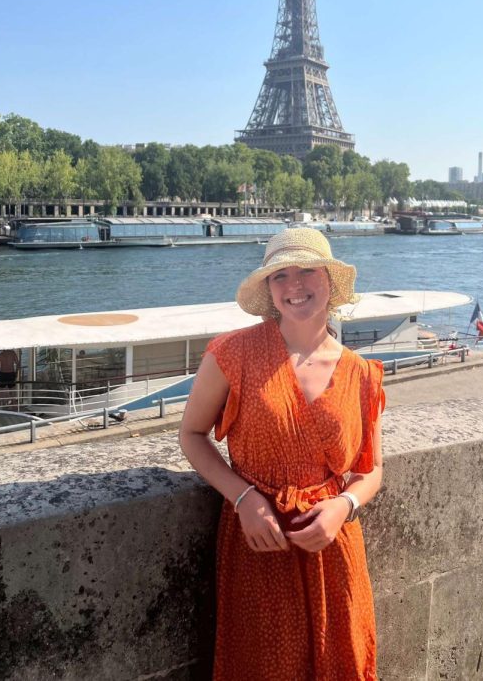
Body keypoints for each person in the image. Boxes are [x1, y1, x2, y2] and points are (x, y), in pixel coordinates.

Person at [179, 227, 385, 680]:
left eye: (307, 271)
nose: (295, 285)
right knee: (263, 666)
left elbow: (371, 472)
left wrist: (343, 507)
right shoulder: (233, 353)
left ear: (329, 281)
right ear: (270, 291)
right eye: (280, 276)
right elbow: (192, 434)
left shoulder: (360, 374)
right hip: (260, 544)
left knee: (342, 661)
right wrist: (244, 498)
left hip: (334, 547)